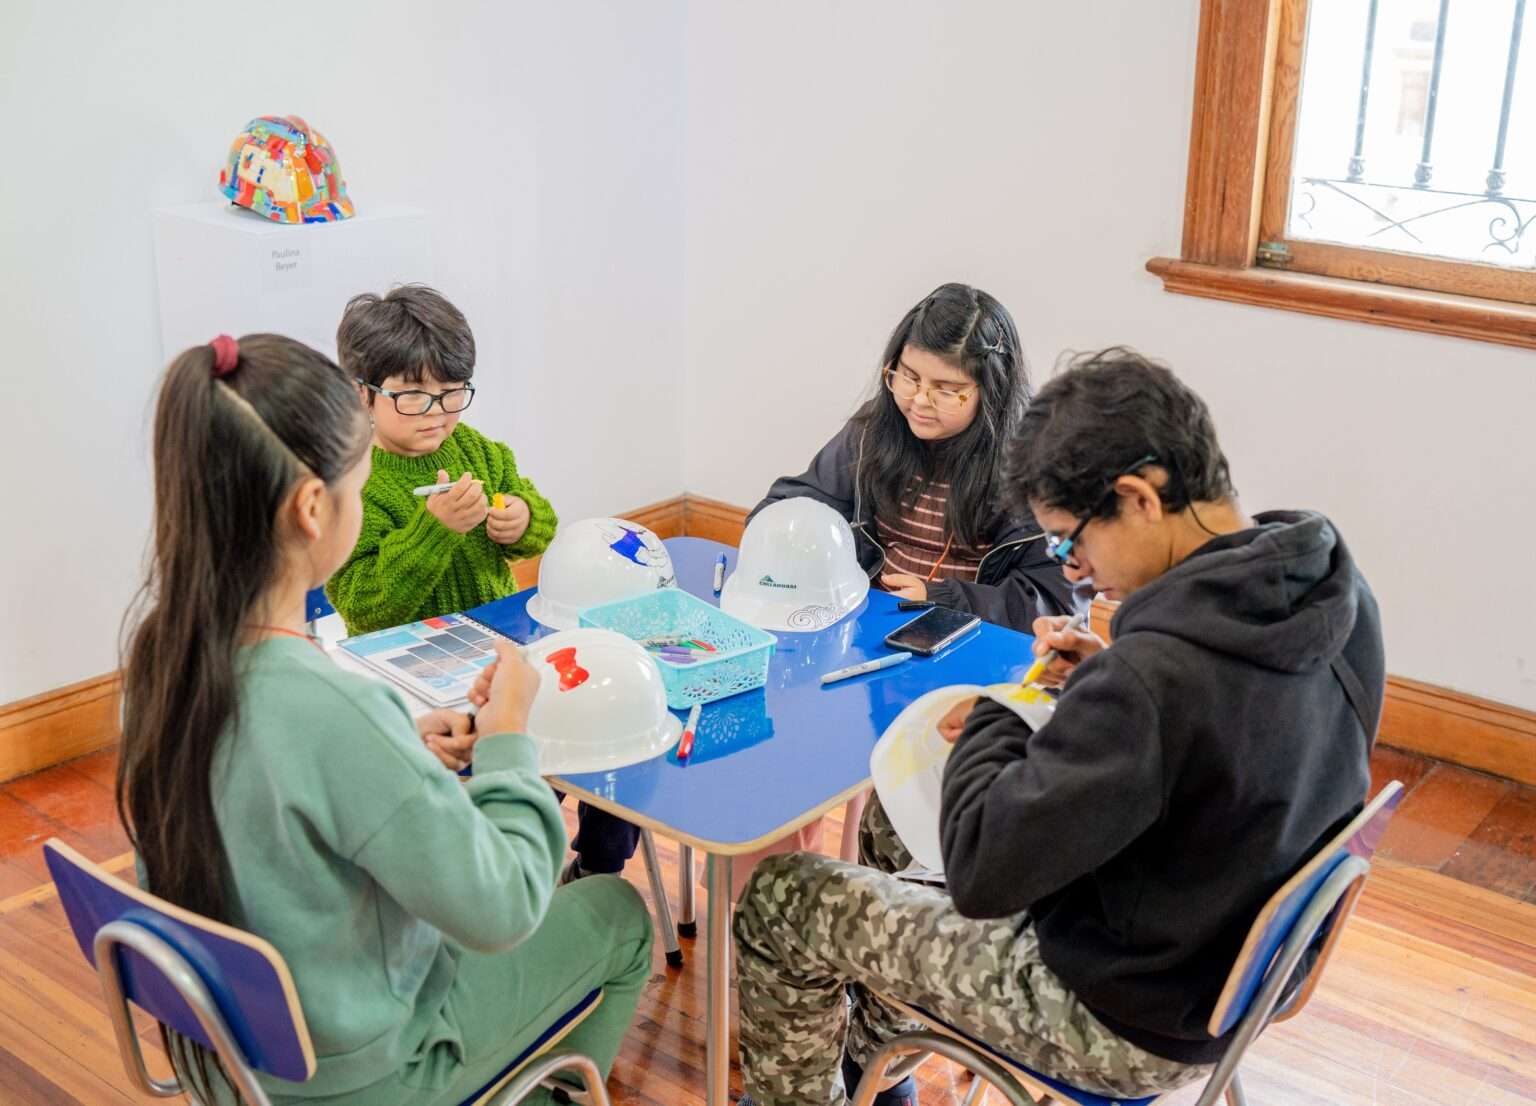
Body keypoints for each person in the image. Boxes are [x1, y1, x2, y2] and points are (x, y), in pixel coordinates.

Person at [731, 347, 1384, 1106]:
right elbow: (1218, 726)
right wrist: (1105, 673)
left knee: (783, 897)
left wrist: (1000, 711)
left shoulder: (1153, 680)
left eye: (1072, 541)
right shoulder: (1332, 594)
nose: (1073, 573)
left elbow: (980, 875)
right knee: (888, 821)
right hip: (1225, 959)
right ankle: (879, 1074)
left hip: (1117, 1019)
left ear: (1140, 498)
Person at [117, 333, 651, 1105]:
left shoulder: (158, 666)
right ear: (310, 508)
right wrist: (508, 742)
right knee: (619, 914)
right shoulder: (330, 707)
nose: (360, 504)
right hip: (367, 1075)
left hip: (237, 1058)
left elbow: (279, 800)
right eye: (360, 489)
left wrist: (396, 749)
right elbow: (503, 907)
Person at [329, 285, 639, 881]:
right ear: (362, 395)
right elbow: (367, 607)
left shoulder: (478, 450)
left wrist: (518, 519)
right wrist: (434, 531)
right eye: (414, 397)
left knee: (610, 713)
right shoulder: (353, 479)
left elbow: (540, 523)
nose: (439, 414)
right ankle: (523, 863)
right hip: (417, 681)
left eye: (451, 395)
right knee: (532, 757)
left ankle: (599, 863)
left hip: (501, 652)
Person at [752, 282, 1076, 630]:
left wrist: (941, 599)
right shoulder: (872, 431)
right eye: (908, 377)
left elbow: (1054, 599)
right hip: (871, 621)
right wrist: (783, 535)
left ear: (993, 391)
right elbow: (800, 502)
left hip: (970, 638)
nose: (920, 401)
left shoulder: (1030, 464)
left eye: (947, 390)